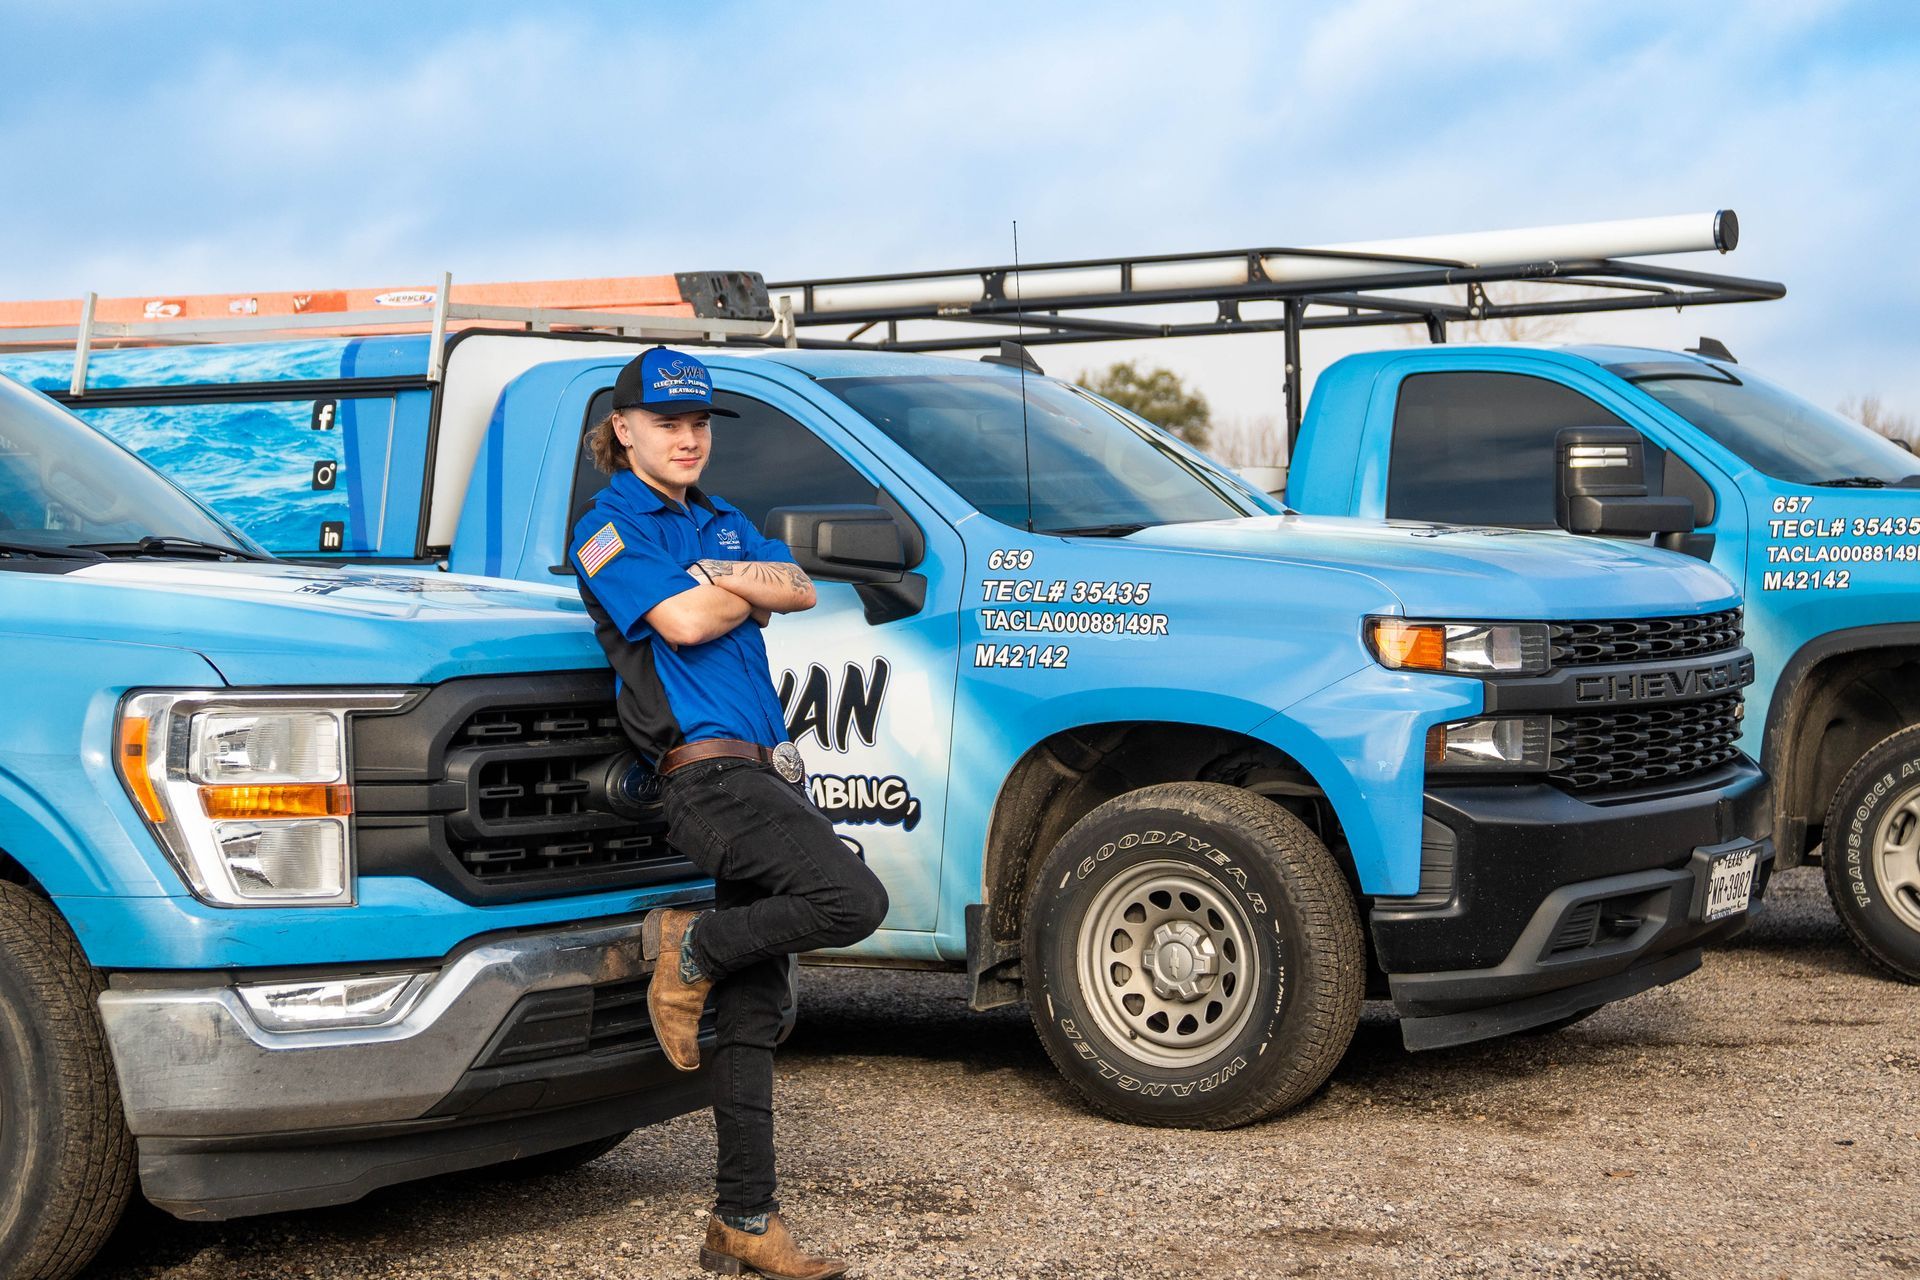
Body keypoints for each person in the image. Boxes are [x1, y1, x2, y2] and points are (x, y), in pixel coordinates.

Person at [569, 347, 887, 1280]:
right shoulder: (607, 528)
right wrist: (739, 587)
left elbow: (803, 588)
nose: (688, 438)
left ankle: (743, 1220)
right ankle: (695, 945)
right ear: (624, 429)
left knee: (753, 1016)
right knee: (853, 901)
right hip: (705, 777)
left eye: (699, 423)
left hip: (768, 770)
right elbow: (684, 623)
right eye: (668, 422)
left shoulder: (722, 519)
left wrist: (722, 576)